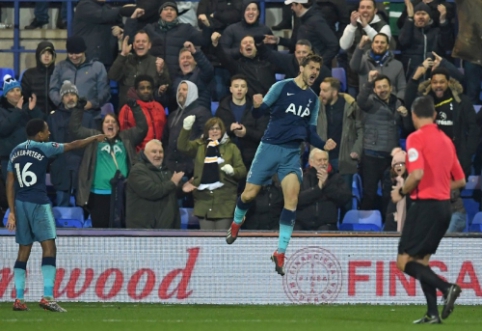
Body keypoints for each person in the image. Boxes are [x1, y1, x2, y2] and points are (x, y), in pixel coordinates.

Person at [225, 54, 337, 276]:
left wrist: (324, 143)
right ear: (302, 68)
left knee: (292, 200)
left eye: (317, 69)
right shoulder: (281, 87)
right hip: (269, 148)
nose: (315, 72)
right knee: (248, 195)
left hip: (292, 154)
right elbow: (259, 112)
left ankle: (280, 252)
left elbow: (310, 133)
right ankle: (237, 223)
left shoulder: (313, 99)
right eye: (311, 68)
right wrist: (256, 106)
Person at [6, 118, 105, 312]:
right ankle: (48, 297)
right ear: (39, 135)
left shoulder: (15, 151)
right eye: (47, 131)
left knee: (23, 251)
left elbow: (10, 183)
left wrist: (12, 211)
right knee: (49, 247)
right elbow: (74, 144)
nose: (49, 133)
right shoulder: (44, 147)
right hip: (39, 203)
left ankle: (19, 299)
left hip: (20, 203)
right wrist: (94, 138)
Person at [391, 96, 465, 324]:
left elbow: (417, 174)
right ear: (434, 115)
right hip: (444, 208)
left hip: (425, 206)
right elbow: (461, 181)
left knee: (404, 261)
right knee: (421, 262)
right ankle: (432, 313)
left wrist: (401, 193)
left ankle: (447, 287)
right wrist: (441, 187)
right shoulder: (446, 140)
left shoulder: (415, 138)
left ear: (413, 116)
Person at [69, 99, 148, 228]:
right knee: (100, 230)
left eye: (113, 122)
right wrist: (78, 108)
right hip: (98, 195)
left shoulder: (126, 138)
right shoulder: (94, 137)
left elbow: (142, 128)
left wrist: (135, 106)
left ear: (117, 127)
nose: (110, 124)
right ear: (102, 126)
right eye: (107, 121)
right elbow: (75, 129)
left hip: (122, 194)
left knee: (121, 231)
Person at [178, 117, 247, 230]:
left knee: (221, 241)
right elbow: (182, 146)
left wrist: (232, 171)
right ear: (207, 131)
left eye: (217, 128)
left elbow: (242, 171)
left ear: (222, 130)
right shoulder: (199, 146)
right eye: (211, 129)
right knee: (207, 242)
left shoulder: (232, 148)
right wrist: (186, 128)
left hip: (224, 202)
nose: (214, 131)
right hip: (203, 201)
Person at [126, 139, 196, 229]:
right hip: (145, 230)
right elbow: (152, 191)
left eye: (160, 152)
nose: (158, 155)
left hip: (167, 228)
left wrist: (182, 189)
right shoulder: (138, 171)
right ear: (145, 153)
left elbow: (169, 192)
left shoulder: (165, 170)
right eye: (154, 152)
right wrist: (173, 182)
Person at [47, 81, 96, 206]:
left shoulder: (88, 117)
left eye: (73, 94)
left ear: (77, 97)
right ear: (62, 99)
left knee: (83, 208)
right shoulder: (53, 118)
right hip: (61, 168)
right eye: (66, 95)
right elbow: (49, 142)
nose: (70, 97)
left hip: (82, 168)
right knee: (62, 209)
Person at [215, 74, 269, 170]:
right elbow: (214, 135)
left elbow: (263, 134)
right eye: (236, 86)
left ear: (246, 90)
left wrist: (246, 132)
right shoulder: (222, 109)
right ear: (231, 89)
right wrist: (229, 129)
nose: (239, 89)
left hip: (252, 157)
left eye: (242, 86)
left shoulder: (256, 109)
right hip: (228, 158)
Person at [108, 31, 171, 108]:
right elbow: (112, 76)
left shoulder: (157, 63)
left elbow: (166, 87)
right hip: (126, 110)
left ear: (149, 45)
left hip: (149, 111)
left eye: (144, 41)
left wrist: (161, 72)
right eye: (138, 41)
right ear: (134, 45)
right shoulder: (125, 60)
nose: (140, 43)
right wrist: (123, 54)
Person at [49, 36, 111, 113]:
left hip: (90, 114)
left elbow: (104, 92)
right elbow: (53, 89)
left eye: (77, 53)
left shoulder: (97, 67)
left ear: (84, 51)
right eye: (71, 53)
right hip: (65, 114)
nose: (74, 57)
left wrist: (91, 104)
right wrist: (62, 103)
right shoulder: (60, 67)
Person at [0, 76, 44, 181]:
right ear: (6, 95)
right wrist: (18, 111)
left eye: (18, 90)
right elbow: (3, 129)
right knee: (12, 191)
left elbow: (42, 125)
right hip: (9, 157)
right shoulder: (1, 111)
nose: (16, 93)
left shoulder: (28, 108)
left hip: (29, 156)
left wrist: (33, 110)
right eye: (11, 91)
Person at [296, 148, 351, 231]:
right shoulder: (302, 178)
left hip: (326, 224)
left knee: (325, 231)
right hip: (302, 224)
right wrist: (318, 189)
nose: (323, 163)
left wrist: (326, 185)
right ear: (311, 162)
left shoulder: (336, 178)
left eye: (325, 160)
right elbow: (296, 200)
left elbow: (345, 198)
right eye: (319, 160)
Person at [119, 75, 167, 152]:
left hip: (158, 153)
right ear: (136, 90)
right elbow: (123, 135)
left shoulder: (159, 107)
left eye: (149, 88)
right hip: (138, 155)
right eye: (142, 88)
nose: (146, 91)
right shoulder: (127, 108)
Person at [20, 41, 57, 116]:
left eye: (49, 53)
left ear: (53, 56)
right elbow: (25, 99)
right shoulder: (29, 74)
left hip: (56, 117)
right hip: (34, 116)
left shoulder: (59, 73)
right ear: (38, 55)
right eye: (43, 53)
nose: (46, 56)